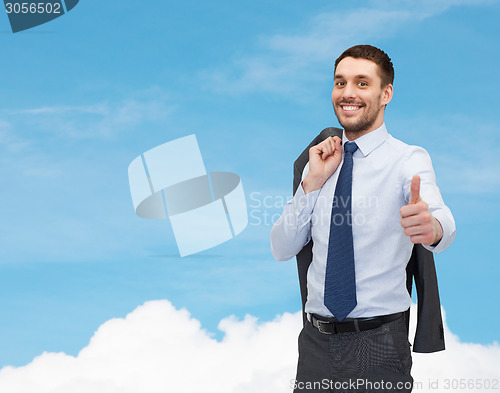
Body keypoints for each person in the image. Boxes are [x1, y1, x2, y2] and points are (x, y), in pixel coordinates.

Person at [270, 45, 456, 392]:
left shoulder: (407, 160)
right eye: (340, 83)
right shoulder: (319, 161)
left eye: (361, 83)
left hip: (380, 343)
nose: (348, 93)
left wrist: (431, 227)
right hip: (315, 342)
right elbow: (281, 248)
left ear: (386, 93)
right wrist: (311, 183)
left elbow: (441, 218)